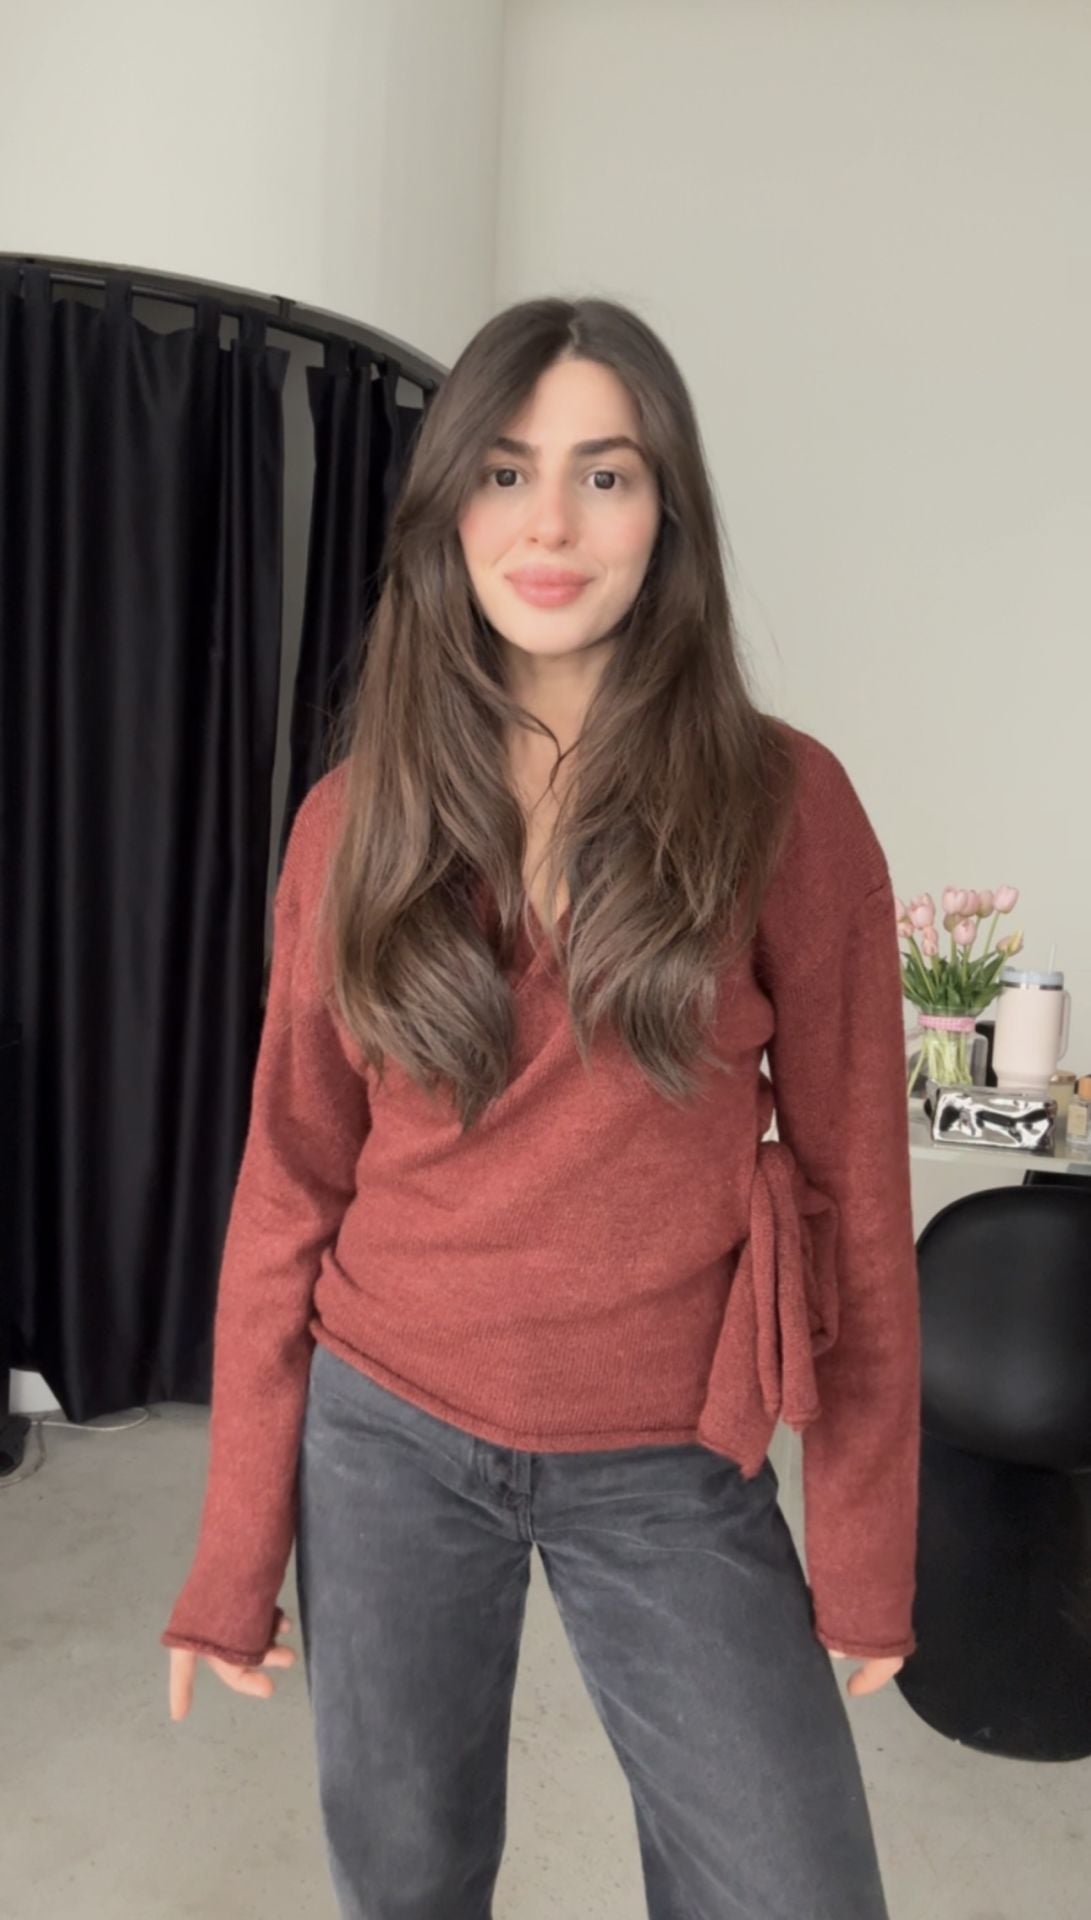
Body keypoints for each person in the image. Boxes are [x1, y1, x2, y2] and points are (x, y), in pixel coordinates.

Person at [162, 296, 920, 1920]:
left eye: (605, 474)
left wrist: (864, 1549)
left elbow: (858, 1189)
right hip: (386, 1432)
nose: (551, 525)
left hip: (672, 1444)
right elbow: (289, 1188)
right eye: (505, 473)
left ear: (669, 513)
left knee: (794, 1893)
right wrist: (233, 1553)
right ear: (448, 508)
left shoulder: (786, 805)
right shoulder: (352, 821)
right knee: (408, 1882)